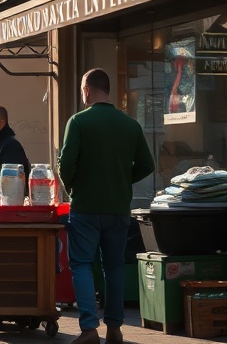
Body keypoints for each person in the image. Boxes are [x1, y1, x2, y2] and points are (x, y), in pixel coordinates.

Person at [58, 68, 155, 344]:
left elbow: (66, 164)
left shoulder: (78, 122)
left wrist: (73, 187)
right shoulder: (130, 125)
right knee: (113, 267)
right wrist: (123, 179)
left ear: (86, 90)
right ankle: (115, 329)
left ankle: (89, 329)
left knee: (81, 265)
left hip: (86, 208)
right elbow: (148, 165)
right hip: (118, 208)